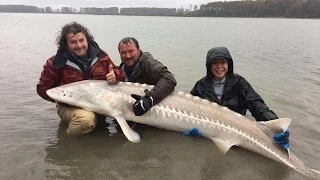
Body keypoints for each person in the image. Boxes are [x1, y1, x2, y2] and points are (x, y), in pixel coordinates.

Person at [188, 46, 289, 149]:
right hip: (210, 133)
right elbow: (190, 109)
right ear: (209, 65)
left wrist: (276, 126)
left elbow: (257, 105)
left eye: (223, 62)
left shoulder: (239, 83)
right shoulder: (201, 85)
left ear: (229, 64)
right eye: (215, 63)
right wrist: (190, 128)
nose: (219, 67)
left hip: (236, 132)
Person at [37, 22, 125, 136]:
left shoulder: (101, 56)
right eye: (73, 42)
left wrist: (115, 76)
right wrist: (64, 98)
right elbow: (42, 89)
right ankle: (69, 143)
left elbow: (121, 76)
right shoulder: (56, 62)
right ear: (66, 44)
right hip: (70, 107)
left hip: (98, 106)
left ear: (87, 40)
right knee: (86, 119)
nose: (79, 45)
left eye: (81, 40)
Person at [117, 37, 177, 116]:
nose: (128, 56)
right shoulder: (121, 69)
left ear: (138, 50)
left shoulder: (148, 63)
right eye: (123, 52)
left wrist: (149, 99)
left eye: (131, 51)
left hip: (154, 109)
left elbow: (169, 79)